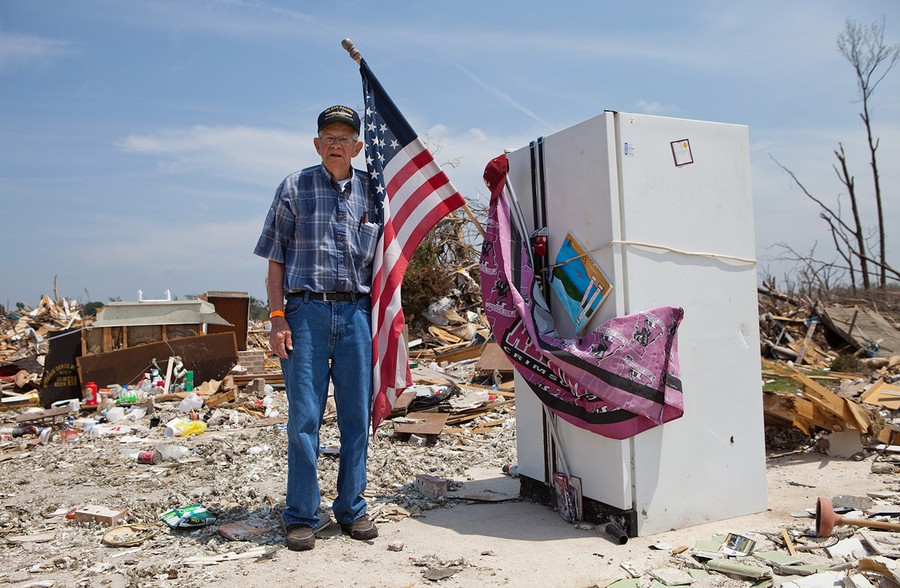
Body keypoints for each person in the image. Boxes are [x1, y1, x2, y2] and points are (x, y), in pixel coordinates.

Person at [253, 105, 381, 551]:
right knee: (304, 419)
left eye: (344, 138)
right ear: (316, 143)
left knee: (355, 419)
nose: (335, 144)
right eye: (328, 136)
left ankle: (351, 509)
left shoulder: (374, 192)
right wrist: (276, 317)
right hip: (304, 315)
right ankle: (302, 515)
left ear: (358, 146)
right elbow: (275, 257)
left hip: (356, 316)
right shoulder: (295, 187)